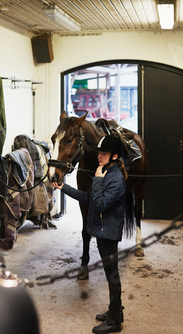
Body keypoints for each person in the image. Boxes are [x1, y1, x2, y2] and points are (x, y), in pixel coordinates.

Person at [52, 134, 127, 334]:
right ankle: (115, 311)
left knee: (112, 275)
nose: (99, 156)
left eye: (104, 154)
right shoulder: (105, 172)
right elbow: (88, 198)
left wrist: (98, 181)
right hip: (102, 231)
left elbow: (101, 205)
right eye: (99, 153)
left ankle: (114, 321)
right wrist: (64, 187)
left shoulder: (114, 179)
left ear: (114, 156)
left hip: (109, 233)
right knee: (110, 273)